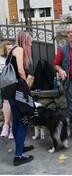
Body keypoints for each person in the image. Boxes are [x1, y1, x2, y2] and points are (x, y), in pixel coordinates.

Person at [5, 31, 34, 166]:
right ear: (25, 40)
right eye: (30, 41)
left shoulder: (12, 50)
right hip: (17, 90)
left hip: (10, 90)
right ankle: (18, 156)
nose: (31, 43)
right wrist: (26, 86)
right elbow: (21, 71)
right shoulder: (20, 49)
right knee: (23, 121)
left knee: (17, 121)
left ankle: (20, 148)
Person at [0, 41, 14, 139]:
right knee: (7, 102)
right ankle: (7, 126)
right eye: (8, 49)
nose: (10, 50)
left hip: (14, 83)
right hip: (5, 84)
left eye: (11, 49)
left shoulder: (15, 58)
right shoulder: (1, 59)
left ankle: (11, 127)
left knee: (13, 104)